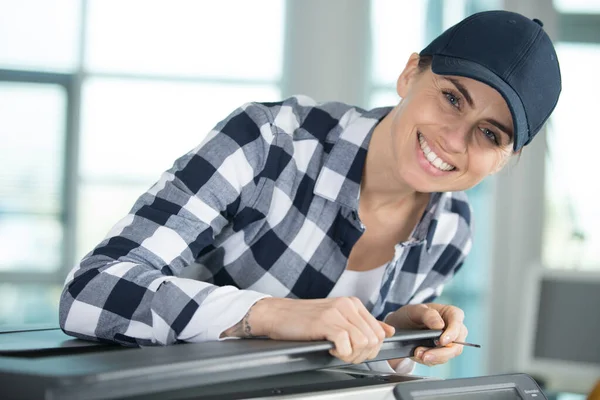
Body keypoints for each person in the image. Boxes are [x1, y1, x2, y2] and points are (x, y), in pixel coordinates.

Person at [59, 10, 561, 374]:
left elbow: (354, 373)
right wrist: (271, 314)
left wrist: (399, 333)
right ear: (410, 73)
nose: (455, 140)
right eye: (452, 98)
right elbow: (90, 292)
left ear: (506, 159)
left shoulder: (453, 228)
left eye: (491, 134)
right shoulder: (268, 142)